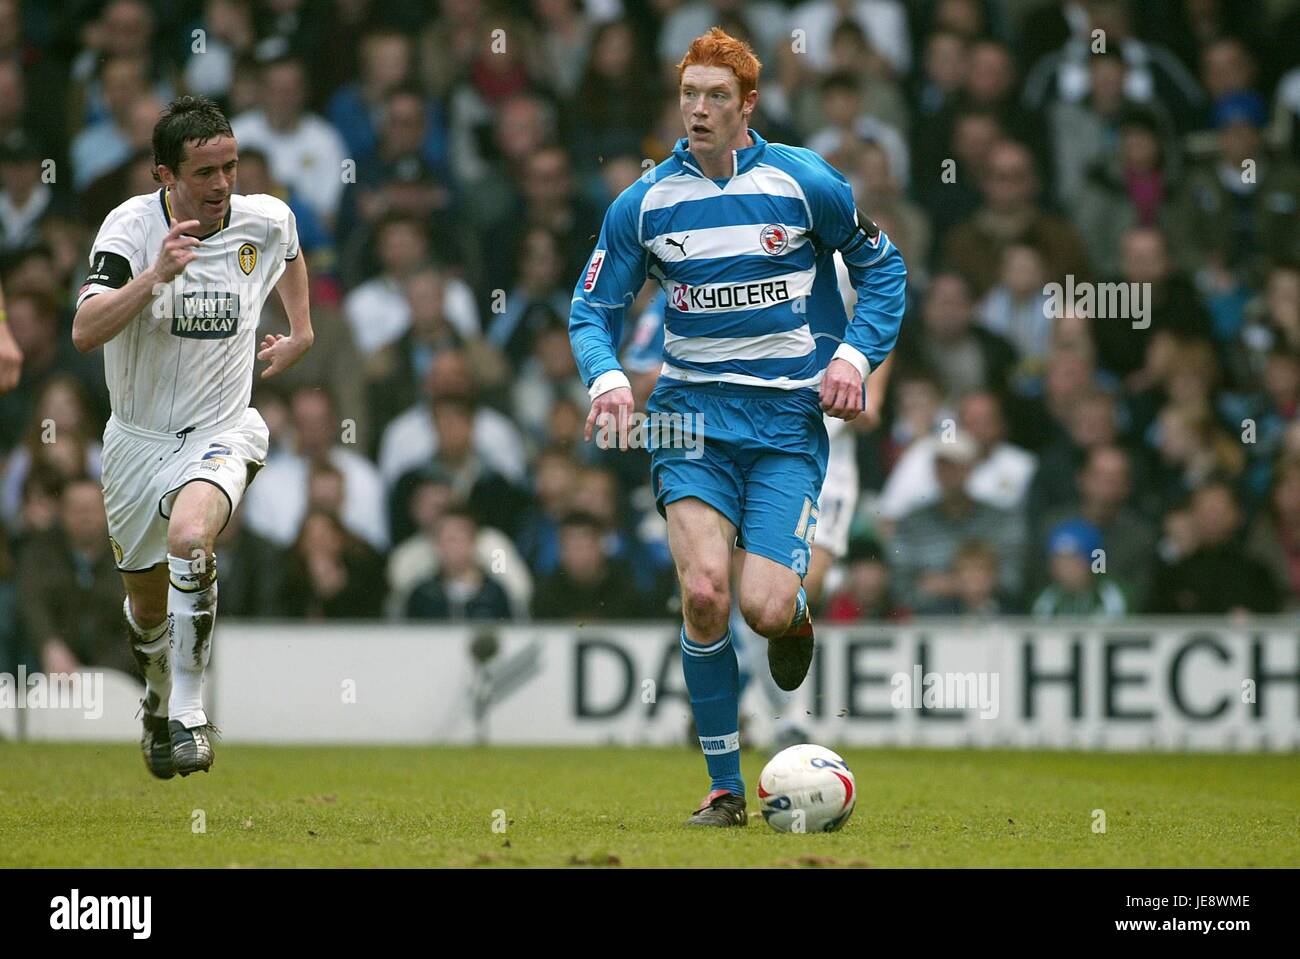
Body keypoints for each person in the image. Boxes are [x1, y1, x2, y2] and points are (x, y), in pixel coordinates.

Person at [568, 28, 906, 827]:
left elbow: (882, 268)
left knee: (760, 605)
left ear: (748, 104)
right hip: (688, 420)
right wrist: (609, 378)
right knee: (707, 594)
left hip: (788, 420)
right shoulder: (645, 202)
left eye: (717, 95)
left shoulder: (804, 182)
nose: (699, 109)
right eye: (689, 94)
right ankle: (724, 789)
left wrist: (856, 358)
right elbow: (593, 306)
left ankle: (793, 614)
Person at [70, 95, 313, 779]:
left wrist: (301, 331)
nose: (221, 185)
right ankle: (156, 694)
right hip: (136, 443)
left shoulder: (265, 220)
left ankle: (191, 713)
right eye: (204, 172)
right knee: (147, 610)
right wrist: (156, 277)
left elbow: (290, 249)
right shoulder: (127, 231)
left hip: (222, 428)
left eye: (230, 167)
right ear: (164, 176)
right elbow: (85, 331)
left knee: (191, 537)